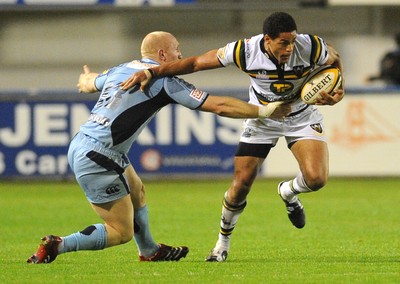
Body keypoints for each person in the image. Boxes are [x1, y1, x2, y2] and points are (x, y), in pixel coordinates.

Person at [27, 31, 290, 264]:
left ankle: (150, 250)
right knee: (120, 231)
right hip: (99, 155)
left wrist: (85, 79)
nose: (181, 55)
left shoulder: (123, 68)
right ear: (163, 54)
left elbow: (89, 82)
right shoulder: (165, 80)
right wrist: (264, 110)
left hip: (88, 145)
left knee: (137, 191)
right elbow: (218, 105)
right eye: (177, 50)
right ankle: (59, 244)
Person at [121, 12, 345, 262]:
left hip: (301, 115)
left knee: (316, 179)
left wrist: (338, 88)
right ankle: (221, 244)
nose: (290, 47)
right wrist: (153, 73)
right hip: (263, 118)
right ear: (267, 40)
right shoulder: (245, 50)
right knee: (240, 185)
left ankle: (288, 192)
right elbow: (195, 63)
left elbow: (334, 58)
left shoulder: (310, 46)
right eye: (284, 42)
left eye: (292, 41)